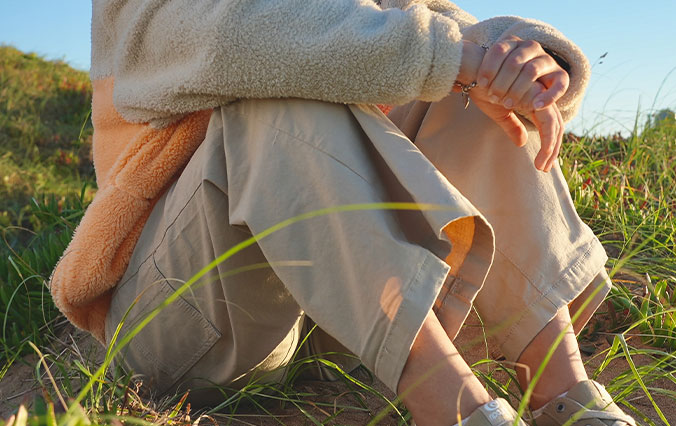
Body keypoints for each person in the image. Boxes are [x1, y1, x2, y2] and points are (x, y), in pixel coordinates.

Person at [57, 0, 633, 424]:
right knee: (276, 92)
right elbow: (229, 39)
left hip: (337, 321)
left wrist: (522, 65)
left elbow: (454, 32)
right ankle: (454, 407)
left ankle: (564, 396)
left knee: (476, 88)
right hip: (185, 315)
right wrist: (454, 57)